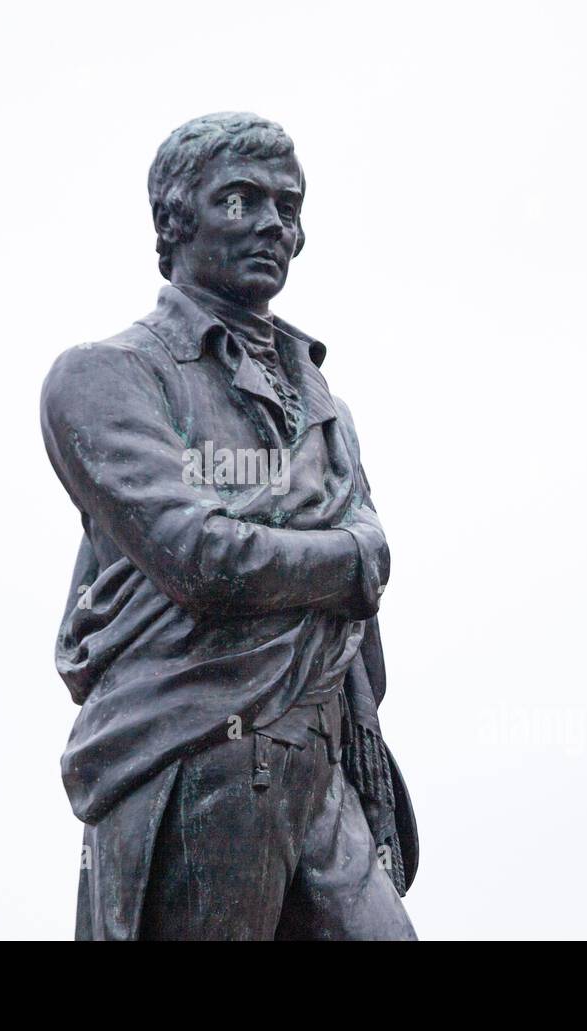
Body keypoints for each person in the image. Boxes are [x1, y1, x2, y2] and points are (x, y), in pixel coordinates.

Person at [40, 112, 417, 940]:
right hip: (193, 750)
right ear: (175, 221)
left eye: (288, 205)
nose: (274, 224)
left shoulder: (325, 405)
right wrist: (350, 554)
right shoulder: (107, 376)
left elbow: (354, 600)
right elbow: (199, 556)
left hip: (325, 773)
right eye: (241, 200)